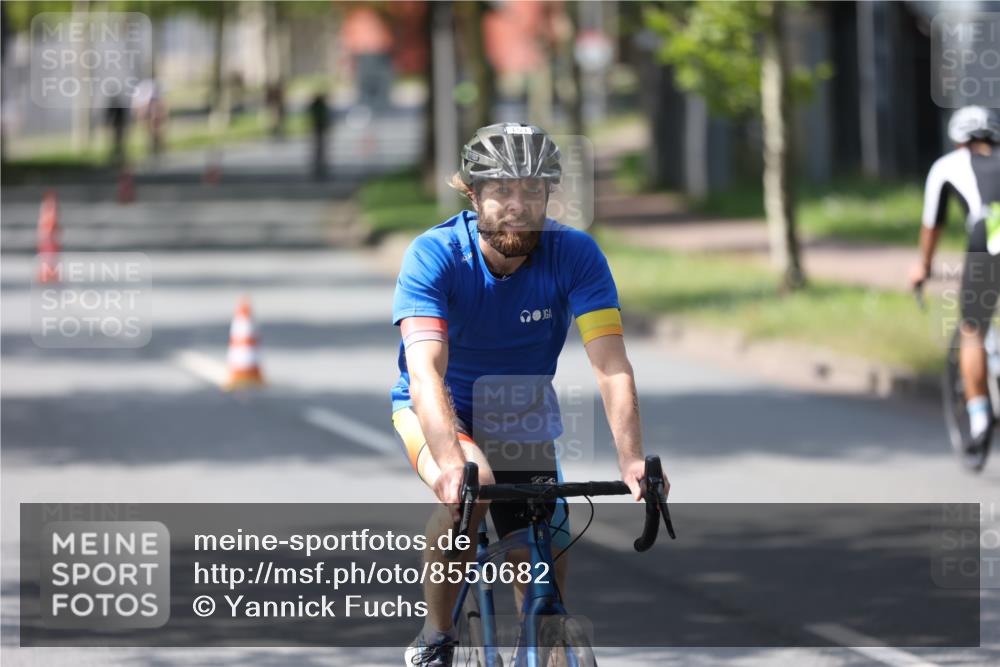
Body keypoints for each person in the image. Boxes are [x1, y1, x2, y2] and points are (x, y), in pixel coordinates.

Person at [390, 123, 666, 666]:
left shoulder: (576, 254)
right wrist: (451, 464)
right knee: (471, 494)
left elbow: (610, 365)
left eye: (533, 191)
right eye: (502, 191)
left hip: (518, 415)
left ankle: (535, 651)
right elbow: (425, 372)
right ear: (473, 193)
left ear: (549, 194)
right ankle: (437, 635)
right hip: (438, 407)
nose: (518, 205)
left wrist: (632, 458)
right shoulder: (435, 255)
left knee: (545, 545)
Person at [909, 105, 1000, 455]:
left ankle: (979, 418)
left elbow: (932, 224)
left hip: (989, 235)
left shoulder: (947, 166)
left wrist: (923, 267)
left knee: (972, 327)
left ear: (957, 138)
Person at [307, 91, 330, 180]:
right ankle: (319, 164)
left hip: (317, 128)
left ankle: (319, 164)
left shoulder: (316, 106)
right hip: (319, 128)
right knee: (319, 148)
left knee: (318, 148)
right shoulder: (319, 106)